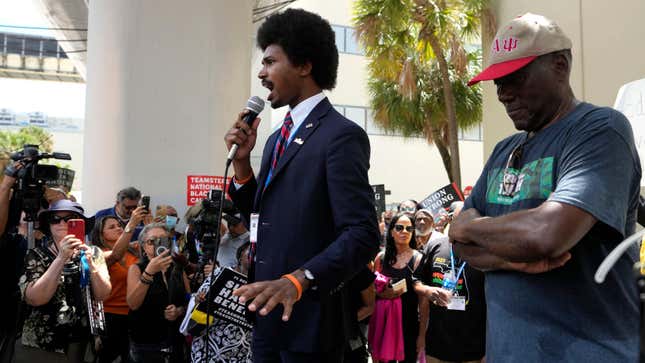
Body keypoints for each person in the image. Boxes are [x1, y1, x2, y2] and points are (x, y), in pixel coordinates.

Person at [451, 13, 641, 361]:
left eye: (515, 78)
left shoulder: (601, 130)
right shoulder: (502, 149)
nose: (503, 94)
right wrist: (516, 260)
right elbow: (460, 246)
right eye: (497, 83)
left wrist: (472, 226)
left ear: (560, 65)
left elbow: (547, 233)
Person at [224, 8, 380, 362]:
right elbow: (264, 215)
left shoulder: (340, 136)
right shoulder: (277, 136)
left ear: (305, 66)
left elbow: (362, 233)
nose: (261, 73)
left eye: (269, 62)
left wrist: (300, 279)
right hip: (267, 319)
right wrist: (242, 164)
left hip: (310, 324)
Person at [17, 200, 112, 362]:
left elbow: (103, 294)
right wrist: (61, 258)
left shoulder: (93, 253)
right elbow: (35, 298)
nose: (62, 223)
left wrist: (91, 264)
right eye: (55, 219)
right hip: (44, 344)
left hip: (83, 340)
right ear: (49, 225)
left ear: (80, 223)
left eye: (70, 219)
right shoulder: (36, 254)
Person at [413, 234, 485, 363]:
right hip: (438, 340)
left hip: (473, 343)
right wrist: (427, 290)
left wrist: (490, 347)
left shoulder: (484, 250)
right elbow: (416, 281)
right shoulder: (435, 245)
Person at [126, 223, 189, 362]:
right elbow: (133, 304)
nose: (157, 244)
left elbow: (189, 301)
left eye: (163, 240)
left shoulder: (177, 267)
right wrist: (149, 272)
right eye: (151, 241)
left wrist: (179, 311)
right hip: (146, 342)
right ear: (143, 246)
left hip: (174, 340)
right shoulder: (137, 268)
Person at [90, 209, 145, 363]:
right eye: (111, 227)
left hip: (134, 314)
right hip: (110, 316)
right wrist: (132, 224)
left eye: (119, 225)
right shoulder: (97, 253)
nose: (118, 228)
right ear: (101, 234)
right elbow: (114, 255)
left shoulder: (133, 252)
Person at [185, 242, 253, 363]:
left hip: (242, 353)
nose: (253, 258)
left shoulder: (261, 282)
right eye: (250, 253)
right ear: (240, 255)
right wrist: (199, 301)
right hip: (209, 349)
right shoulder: (219, 274)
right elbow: (197, 303)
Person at [370, 213, 423, 363]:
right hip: (385, 323)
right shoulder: (381, 258)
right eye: (399, 228)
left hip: (409, 325)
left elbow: (423, 301)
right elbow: (372, 290)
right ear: (391, 232)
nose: (404, 231)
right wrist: (382, 294)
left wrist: (422, 334)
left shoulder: (418, 259)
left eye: (409, 228)